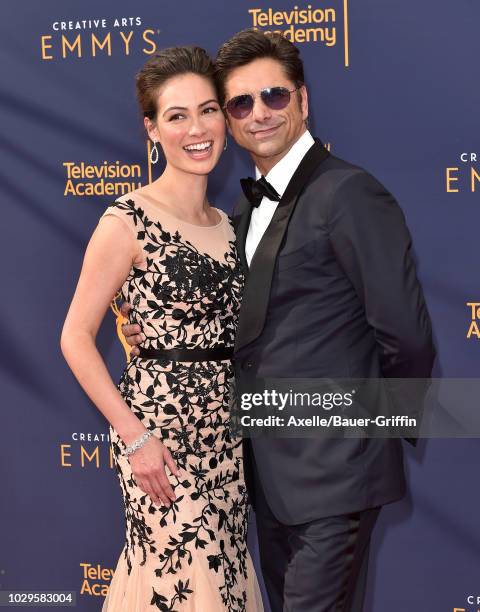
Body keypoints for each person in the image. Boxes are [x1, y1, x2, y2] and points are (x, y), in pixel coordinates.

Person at [122, 29, 436, 612]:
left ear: (303, 100)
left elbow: (406, 334)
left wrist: (369, 435)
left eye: (274, 96)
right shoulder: (239, 210)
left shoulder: (349, 193)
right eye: (240, 103)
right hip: (262, 477)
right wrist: (152, 327)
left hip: (335, 474)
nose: (259, 113)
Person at [61, 45, 263, 612]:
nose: (196, 129)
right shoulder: (126, 220)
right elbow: (75, 337)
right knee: (177, 580)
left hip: (227, 438)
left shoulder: (228, 226)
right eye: (177, 116)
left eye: (208, 110)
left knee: (222, 580)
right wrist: (135, 437)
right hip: (161, 442)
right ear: (152, 130)